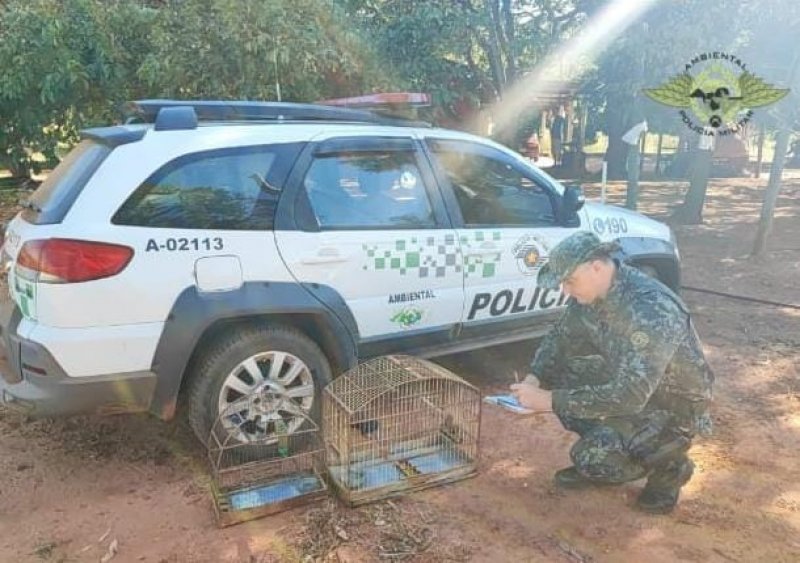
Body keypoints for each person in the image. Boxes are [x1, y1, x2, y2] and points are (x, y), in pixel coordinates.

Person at [511, 232, 714, 514]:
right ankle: (608, 445)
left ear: (596, 267)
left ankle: (670, 466)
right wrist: (535, 377)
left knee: (589, 456)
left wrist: (547, 400)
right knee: (567, 376)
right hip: (633, 383)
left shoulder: (651, 307)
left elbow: (630, 395)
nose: (566, 291)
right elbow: (559, 338)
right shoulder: (593, 294)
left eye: (569, 281)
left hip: (673, 406)